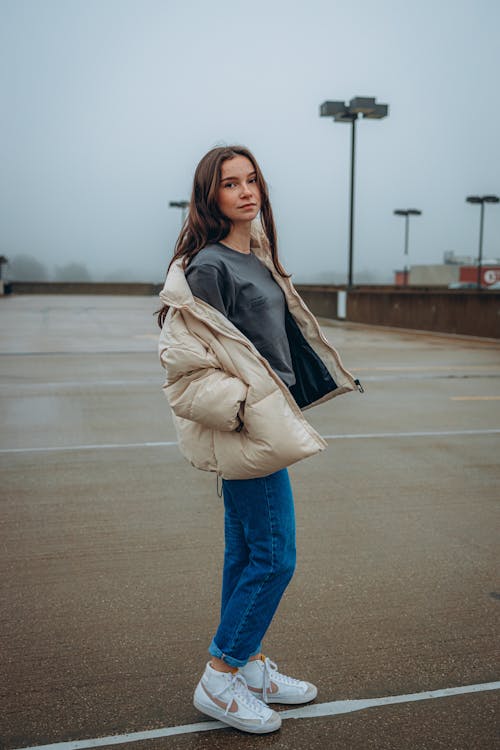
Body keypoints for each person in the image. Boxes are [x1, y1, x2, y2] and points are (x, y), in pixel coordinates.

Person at [157, 145, 361, 734]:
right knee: (275, 557)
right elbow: (185, 366)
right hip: (250, 427)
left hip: (264, 419)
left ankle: (244, 665)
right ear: (210, 196)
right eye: (230, 184)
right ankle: (219, 676)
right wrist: (245, 410)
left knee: (246, 553)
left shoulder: (256, 256)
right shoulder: (209, 268)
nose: (246, 191)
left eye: (252, 181)